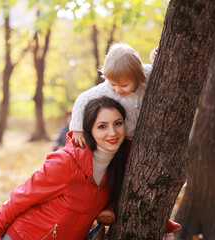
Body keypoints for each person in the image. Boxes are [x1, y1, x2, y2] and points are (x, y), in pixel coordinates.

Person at [69, 43, 181, 233]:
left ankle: (161, 217)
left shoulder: (146, 75)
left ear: (138, 77)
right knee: (119, 174)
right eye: (113, 84)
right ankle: (110, 207)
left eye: (123, 85)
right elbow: (82, 100)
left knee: (155, 177)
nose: (117, 89)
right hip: (123, 141)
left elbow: (162, 70)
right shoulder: (106, 88)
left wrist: (157, 57)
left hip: (147, 140)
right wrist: (77, 128)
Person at [0, 97, 127, 240]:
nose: (113, 133)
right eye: (102, 126)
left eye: (118, 123)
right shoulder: (66, 162)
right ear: (88, 130)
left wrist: (109, 208)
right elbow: (18, 200)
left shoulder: (117, 167)